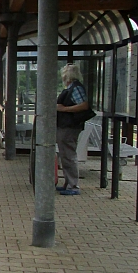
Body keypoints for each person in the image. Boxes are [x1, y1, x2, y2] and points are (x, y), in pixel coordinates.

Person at [55, 64, 88, 195]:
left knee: (68, 155)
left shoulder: (76, 88)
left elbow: (84, 105)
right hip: (65, 126)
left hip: (69, 127)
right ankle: (68, 183)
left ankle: (73, 186)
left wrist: (64, 109)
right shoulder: (71, 88)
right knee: (65, 155)